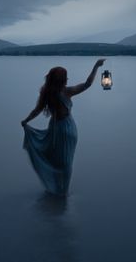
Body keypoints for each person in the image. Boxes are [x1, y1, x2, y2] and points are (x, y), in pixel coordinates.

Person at [21, 59, 106, 196]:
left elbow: (37, 110)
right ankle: (64, 191)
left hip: (55, 128)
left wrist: (26, 121)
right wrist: (96, 66)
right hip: (67, 129)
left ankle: (57, 188)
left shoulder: (46, 93)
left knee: (54, 158)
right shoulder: (66, 92)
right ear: (62, 80)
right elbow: (87, 84)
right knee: (67, 161)